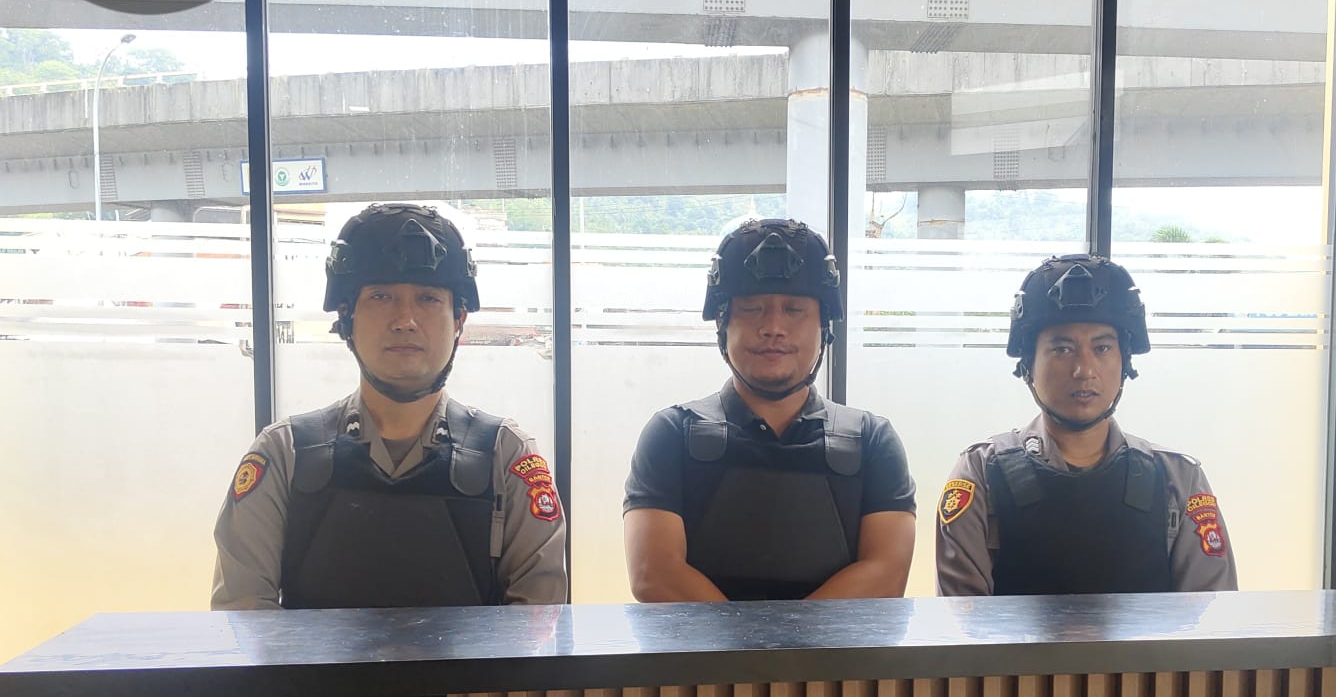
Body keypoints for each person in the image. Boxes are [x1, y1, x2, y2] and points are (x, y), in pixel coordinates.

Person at [212, 202, 566, 610]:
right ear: (346, 317)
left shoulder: (506, 458)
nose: (405, 320)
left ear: (459, 321)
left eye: (428, 298)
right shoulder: (284, 454)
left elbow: (537, 625)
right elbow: (244, 618)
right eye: (381, 296)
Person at [623, 217, 916, 602]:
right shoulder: (672, 435)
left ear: (824, 326)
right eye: (751, 308)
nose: (773, 327)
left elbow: (886, 573)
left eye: (794, 309)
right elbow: (654, 574)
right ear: (723, 324)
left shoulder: (872, 441)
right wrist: (758, 643)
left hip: (830, 647)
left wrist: (780, 641)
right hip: (704, 648)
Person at [936, 252, 1237, 597]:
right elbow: (962, 621)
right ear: (1028, 364)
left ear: (1125, 362)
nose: (1084, 370)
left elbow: (1209, 617)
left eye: (1103, 347)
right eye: (1062, 349)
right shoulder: (982, 473)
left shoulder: (1177, 479)